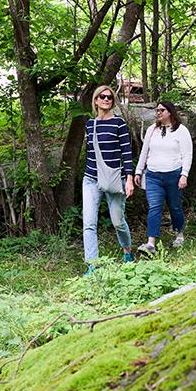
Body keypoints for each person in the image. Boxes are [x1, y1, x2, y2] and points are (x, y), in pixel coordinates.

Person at [82, 85, 135, 273]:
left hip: (115, 179)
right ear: (96, 100)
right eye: (102, 97)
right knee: (89, 223)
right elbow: (90, 152)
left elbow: (126, 152)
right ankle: (92, 265)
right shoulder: (90, 124)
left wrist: (129, 179)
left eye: (110, 97)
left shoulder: (119, 123)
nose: (106, 99)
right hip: (91, 179)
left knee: (118, 221)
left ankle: (127, 251)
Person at [134, 100, 192, 255]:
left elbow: (187, 155)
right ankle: (151, 243)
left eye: (161, 110)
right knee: (154, 206)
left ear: (170, 112)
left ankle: (179, 234)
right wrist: (138, 171)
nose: (158, 113)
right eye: (157, 110)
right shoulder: (152, 129)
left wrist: (184, 175)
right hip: (153, 175)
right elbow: (144, 151)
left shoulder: (181, 131)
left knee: (175, 206)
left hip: (173, 175)